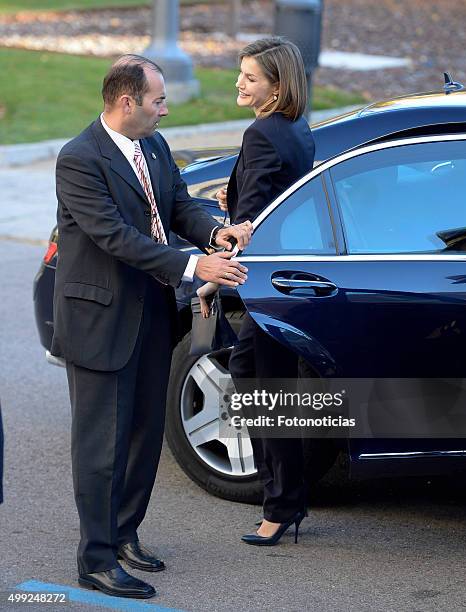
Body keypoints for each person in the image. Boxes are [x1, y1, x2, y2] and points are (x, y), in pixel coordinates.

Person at [51, 54, 252, 599]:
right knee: (101, 445)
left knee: (142, 436)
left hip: (152, 314)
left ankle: (124, 535)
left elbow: (179, 206)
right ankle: (94, 558)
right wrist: (194, 266)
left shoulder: (154, 145)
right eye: (158, 100)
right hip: (101, 320)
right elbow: (114, 236)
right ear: (126, 102)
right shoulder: (79, 159)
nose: (165, 109)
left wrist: (215, 233)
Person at [216, 37, 315, 546]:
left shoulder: (262, 133)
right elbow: (272, 195)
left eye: (251, 77)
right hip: (288, 274)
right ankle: (284, 497)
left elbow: (250, 219)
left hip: (270, 279)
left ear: (277, 87)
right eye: (241, 73)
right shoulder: (295, 128)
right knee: (258, 377)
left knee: (263, 385)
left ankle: (282, 504)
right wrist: (235, 199)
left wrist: (217, 272)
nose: (240, 83)